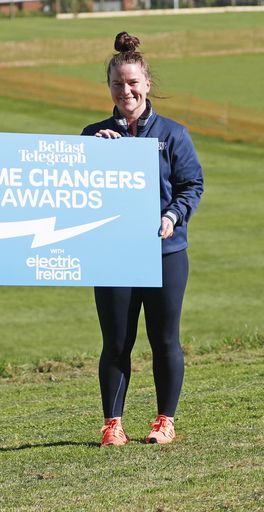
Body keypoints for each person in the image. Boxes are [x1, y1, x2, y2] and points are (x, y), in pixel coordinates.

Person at [81, 31, 204, 446]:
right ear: (109, 88)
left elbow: (192, 185)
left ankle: (164, 421)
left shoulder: (173, 134)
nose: (126, 90)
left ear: (147, 84)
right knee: (116, 341)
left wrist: (173, 215)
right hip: (113, 255)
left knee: (164, 339)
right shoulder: (93, 134)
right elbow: (76, 193)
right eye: (118, 84)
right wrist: (92, 155)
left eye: (133, 83)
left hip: (165, 252)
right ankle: (112, 424)